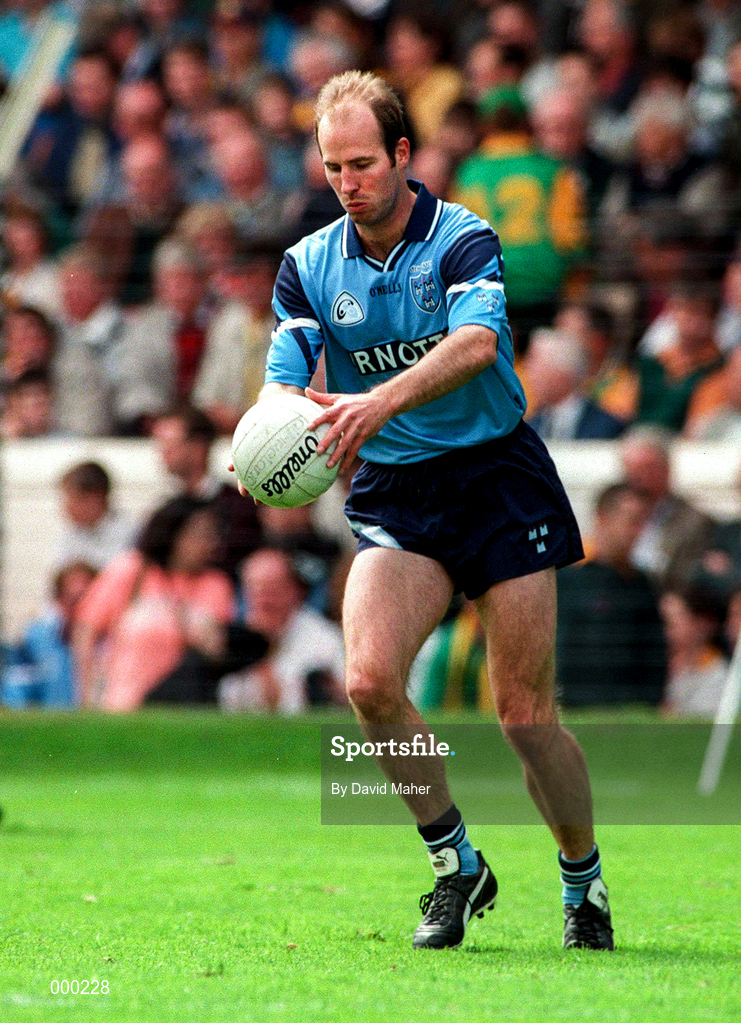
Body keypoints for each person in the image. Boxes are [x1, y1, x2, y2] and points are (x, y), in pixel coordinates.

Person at [230, 70, 613, 952]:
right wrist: (265, 448)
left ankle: (582, 881)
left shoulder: (463, 237)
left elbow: (477, 344)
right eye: (333, 167)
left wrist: (376, 403)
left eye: (363, 162)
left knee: (523, 715)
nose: (348, 181)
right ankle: (455, 865)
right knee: (367, 682)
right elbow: (286, 384)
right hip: (399, 491)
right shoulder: (307, 265)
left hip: (496, 478)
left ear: (403, 154)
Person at [73, 497, 234, 711]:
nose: (210, 543)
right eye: (201, 535)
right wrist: (86, 697)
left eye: (213, 536)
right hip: (122, 706)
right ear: (174, 534)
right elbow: (86, 630)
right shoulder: (133, 570)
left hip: (183, 709)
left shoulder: (216, 585)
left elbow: (214, 648)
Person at [556, 483, 666, 706]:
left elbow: (654, 656)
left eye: (643, 522)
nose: (639, 532)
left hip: (630, 717)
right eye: (633, 521)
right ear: (603, 518)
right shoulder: (567, 579)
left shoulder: (642, 584)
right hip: (575, 713)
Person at [218, 547, 345, 714]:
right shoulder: (232, 637)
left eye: (272, 590)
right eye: (255, 590)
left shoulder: (325, 639)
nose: (263, 600)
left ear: (295, 591)